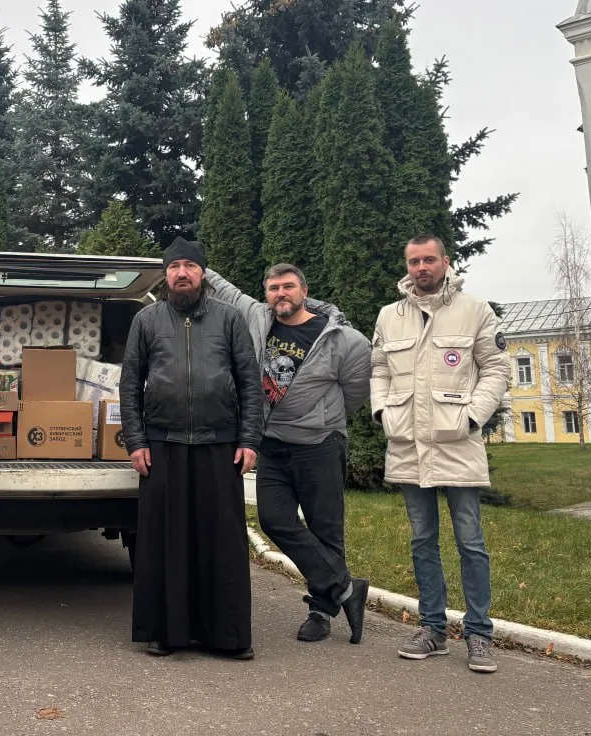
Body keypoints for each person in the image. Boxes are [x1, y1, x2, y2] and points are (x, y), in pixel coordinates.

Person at [206, 262, 372, 644]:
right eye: (273, 288)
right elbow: (228, 291)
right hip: (273, 443)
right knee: (273, 518)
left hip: (320, 444)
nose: (281, 293)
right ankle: (346, 588)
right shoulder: (258, 318)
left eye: (288, 286)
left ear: (304, 291)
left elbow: (355, 391)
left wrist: (323, 417)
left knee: (326, 530)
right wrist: (196, 266)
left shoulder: (343, 338)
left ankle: (321, 611)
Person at [370, 234, 510, 674]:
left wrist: (473, 416)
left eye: (429, 259)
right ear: (406, 266)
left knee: (471, 541)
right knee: (421, 541)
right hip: (408, 444)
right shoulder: (389, 316)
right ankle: (432, 629)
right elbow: (378, 369)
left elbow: (496, 368)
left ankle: (479, 633)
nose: (421, 268)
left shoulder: (474, 310)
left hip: (457, 442)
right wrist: (382, 411)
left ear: (445, 262)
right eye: (414, 261)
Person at [119, 237, 264, 659]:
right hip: (162, 445)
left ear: (203, 273)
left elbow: (249, 382)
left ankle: (228, 636)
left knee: (222, 543)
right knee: (165, 543)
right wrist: (136, 441)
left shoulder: (229, 319)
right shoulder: (146, 320)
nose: (182, 273)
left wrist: (249, 439)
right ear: (165, 275)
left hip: (220, 445)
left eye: (190, 266)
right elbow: (130, 383)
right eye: (174, 267)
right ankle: (167, 632)